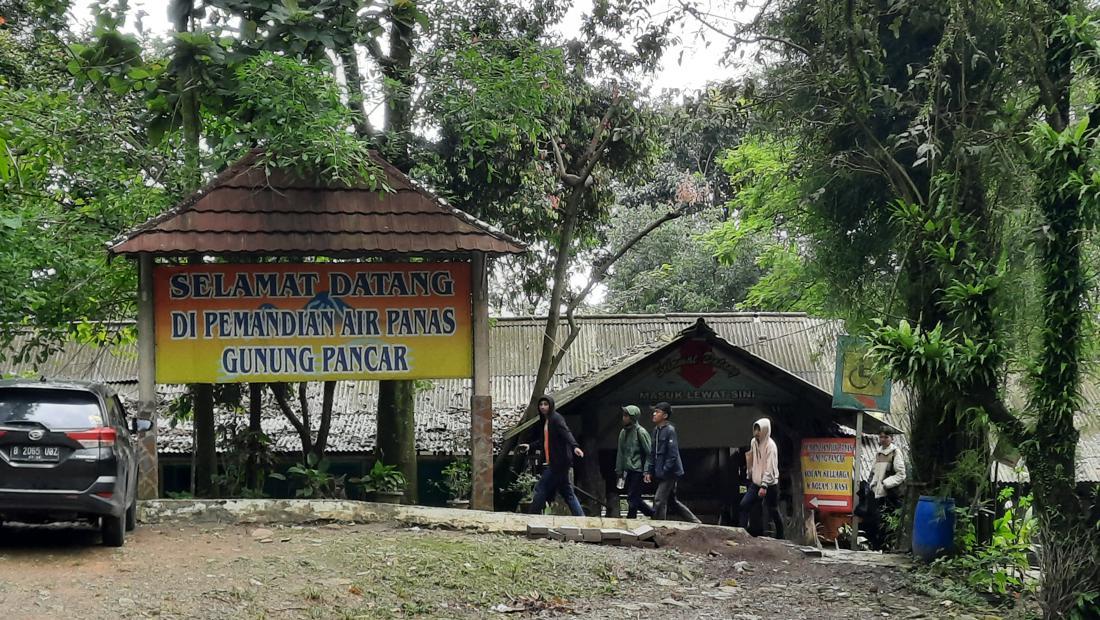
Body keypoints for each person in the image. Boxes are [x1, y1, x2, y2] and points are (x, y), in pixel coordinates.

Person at [519, 395, 585, 516]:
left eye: (546, 404)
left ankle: (532, 516)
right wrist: (530, 446)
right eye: (541, 405)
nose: (543, 407)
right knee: (567, 493)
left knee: (540, 488)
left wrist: (575, 446)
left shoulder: (556, 419)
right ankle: (581, 518)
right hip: (556, 462)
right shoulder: (546, 421)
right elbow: (544, 440)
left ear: (551, 406)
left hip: (559, 462)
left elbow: (566, 433)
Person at [644, 402, 701, 523]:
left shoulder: (670, 430)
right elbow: (653, 453)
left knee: (659, 499)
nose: (654, 414)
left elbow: (673, 454)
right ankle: (695, 522)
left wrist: (665, 470)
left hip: (670, 472)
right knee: (671, 501)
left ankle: (658, 525)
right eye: (654, 411)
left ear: (665, 416)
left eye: (657, 412)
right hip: (660, 471)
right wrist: (649, 471)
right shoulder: (656, 431)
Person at [738, 417, 784, 538]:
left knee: (773, 509)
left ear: (765, 430)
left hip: (770, 484)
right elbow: (753, 459)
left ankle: (781, 536)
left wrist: (764, 485)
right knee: (744, 505)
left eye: (759, 430)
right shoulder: (753, 442)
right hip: (756, 482)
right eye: (755, 429)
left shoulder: (771, 446)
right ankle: (741, 533)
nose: (757, 433)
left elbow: (770, 467)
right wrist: (750, 472)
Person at [867, 430, 907, 549]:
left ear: (892, 438)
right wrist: (873, 485)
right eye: (881, 437)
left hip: (893, 494)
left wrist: (886, 484)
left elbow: (901, 474)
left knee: (892, 521)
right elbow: (874, 471)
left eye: (886, 437)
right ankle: (880, 546)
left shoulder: (895, 453)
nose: (883, 439)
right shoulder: (878, 453)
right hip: (879, 493)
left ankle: (892, 545)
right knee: (878, 520)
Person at [615, 405, 654, 519]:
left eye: (626, 415)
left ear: (633, 417)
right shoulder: (623, 432)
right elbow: (620, 453)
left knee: (632, 497)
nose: (624, 418)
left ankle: (631, 518)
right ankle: (652, 513)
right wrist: (619, 470)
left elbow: (649, 453)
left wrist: (647, 470)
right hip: (627, 470)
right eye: (624, 415)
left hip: (638, 469)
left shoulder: (640, 432)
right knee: (633, 497)